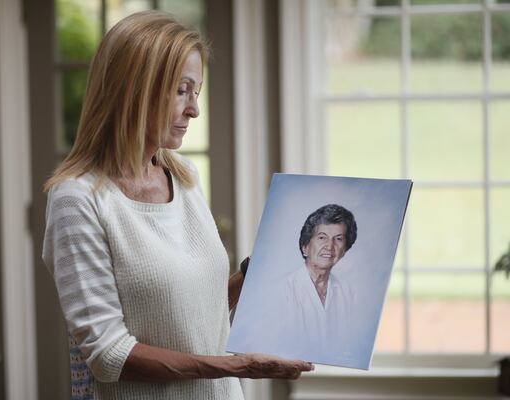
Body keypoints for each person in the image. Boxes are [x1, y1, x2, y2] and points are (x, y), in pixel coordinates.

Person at [41, 10, 313, 400]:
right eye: (182, 90)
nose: (194, 109)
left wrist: (258, 272)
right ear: (134, 88)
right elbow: (108, 355)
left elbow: (202, 308)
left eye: (197, 92)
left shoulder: (183, 176)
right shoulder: (77, 201)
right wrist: (238, 366)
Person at [278, 204, 358, 362]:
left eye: (339, 239)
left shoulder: (347, 292)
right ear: (305, 247)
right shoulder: (282, 290)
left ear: (345, 250)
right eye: (322, 237)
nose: (330, 246)